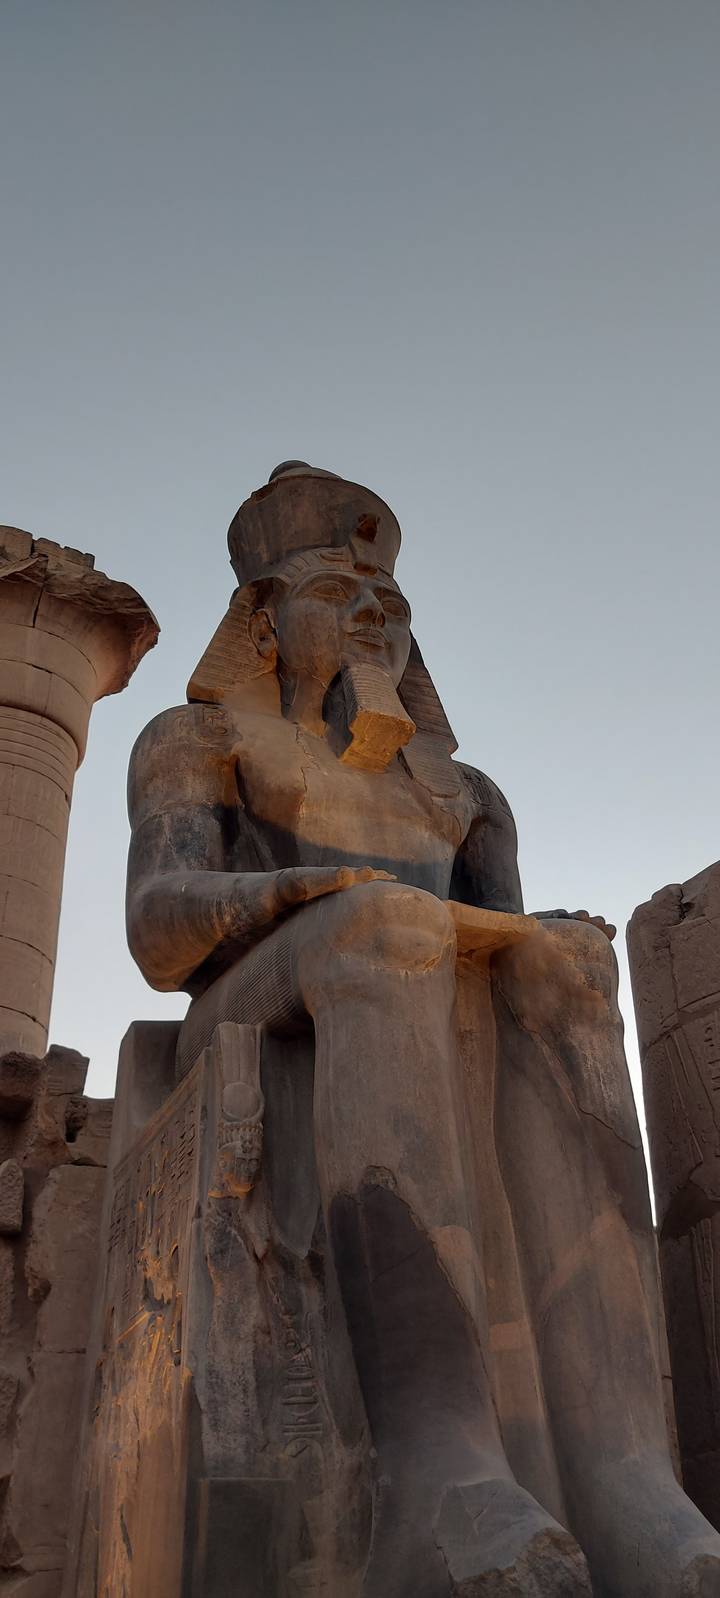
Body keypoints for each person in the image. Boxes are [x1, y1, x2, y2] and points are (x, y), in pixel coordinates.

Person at [127, 462, 720, 1596]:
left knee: (568, 964)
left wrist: (523, 930)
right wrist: (308, 890)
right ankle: (435, 1460)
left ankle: (622, 1469)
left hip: (390, 958)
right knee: (386, 930)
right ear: (260, 621)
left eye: (390, 607)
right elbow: (159, 931)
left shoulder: (466, 791)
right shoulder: (198, 739)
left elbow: (494, 935)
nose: (372, 621)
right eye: (338, 595)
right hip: (253, 997)